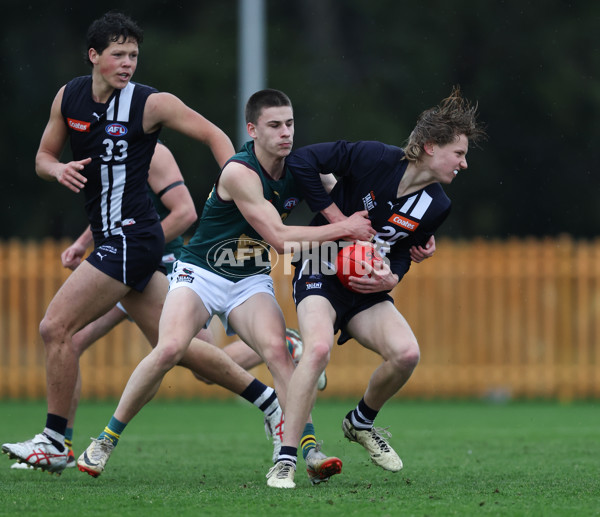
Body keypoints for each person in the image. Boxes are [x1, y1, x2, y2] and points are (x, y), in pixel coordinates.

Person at [0, 12, 281, 476]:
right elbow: (42, 158)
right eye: (118, 54)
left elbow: (213, 134)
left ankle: (53, 441)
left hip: (133, 239)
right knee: (181, 348)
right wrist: (58, 170)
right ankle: (270, 402)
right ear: (94, 56)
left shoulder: (150, 104)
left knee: (56, 329)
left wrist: (242, 186)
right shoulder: (68, 96)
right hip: (114, 239)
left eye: (133, 55)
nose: (128, 63)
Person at [77, 88, 376, 484]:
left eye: (289, 123)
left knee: (277, 354)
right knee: (170, 348)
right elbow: (282, 238)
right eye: (274, 125)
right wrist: (347, 227)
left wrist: (411, 233)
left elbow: (355, 202)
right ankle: (105, 440)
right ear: (252, 130)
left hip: (250, 278)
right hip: (201, 272)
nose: (286, 133)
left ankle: (307, 450)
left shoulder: (304, 167)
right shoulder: (239, 172)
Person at [267, 86, 487, 488]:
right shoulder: (374, 157)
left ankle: (361, 422)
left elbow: (402, 253)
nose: (464, 163)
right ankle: (285, 459)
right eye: (458, 153)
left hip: (366, 286)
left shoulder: (438, 206)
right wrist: (340, 220)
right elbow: (300, 161)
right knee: (317, 348)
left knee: (406, 353)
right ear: (428, 147)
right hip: (319, 264)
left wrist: (393, 277)